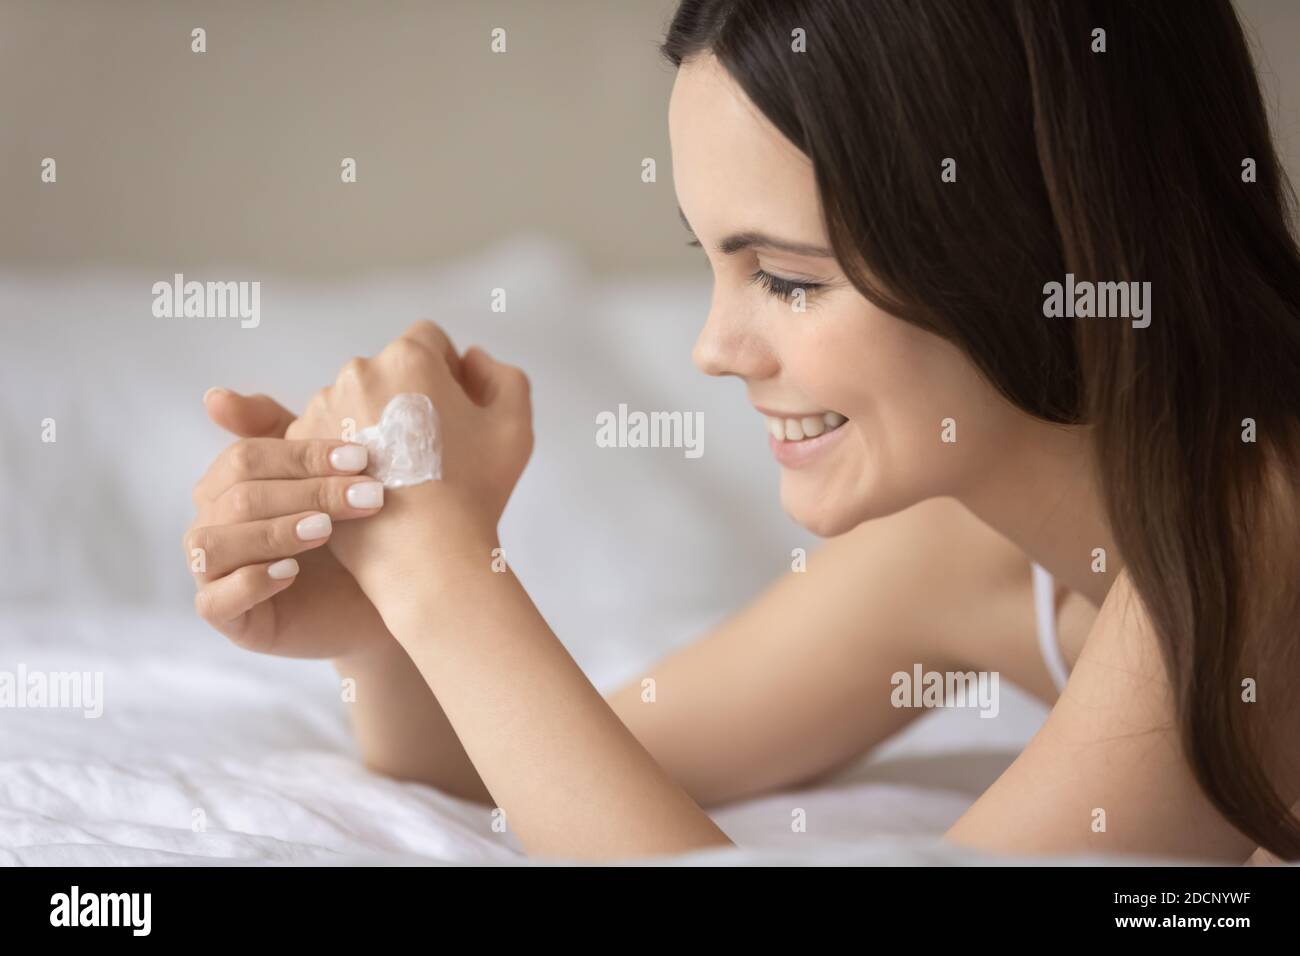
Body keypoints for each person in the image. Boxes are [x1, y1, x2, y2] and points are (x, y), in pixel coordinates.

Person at [186, 0, 1300, 862]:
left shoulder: (1250, 535)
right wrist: (382, 602)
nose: (715, 347)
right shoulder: (971, 550)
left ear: (1028, 247)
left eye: (784, 277)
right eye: (711, 261)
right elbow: (515, 764)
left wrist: (441, 576)